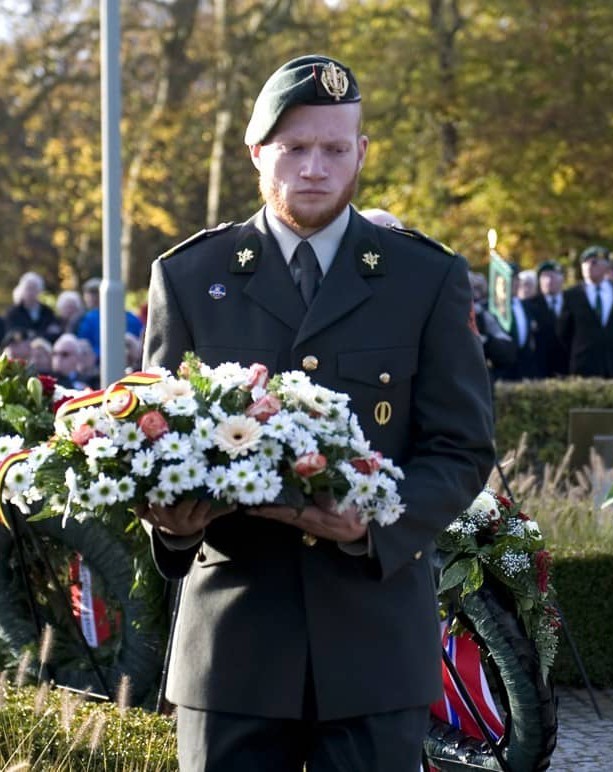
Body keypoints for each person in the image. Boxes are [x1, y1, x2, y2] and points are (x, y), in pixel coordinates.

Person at [140, 54, 495, 772]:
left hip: (373, 646)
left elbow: (460, 446)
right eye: (294, 148)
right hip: (233, 647)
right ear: (255, 154)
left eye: (335, 148)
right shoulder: (190, 276)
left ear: (361, 151)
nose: (314, 167)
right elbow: (155, 438)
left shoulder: (424, 277)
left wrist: (376, 522)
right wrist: (169, 526)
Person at [557, 245, 613, 378]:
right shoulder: (572, 295)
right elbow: (563, 333)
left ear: (606, 266)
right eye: (585, 262)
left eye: (594, 262)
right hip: (583, 366)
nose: (589, 266)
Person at [526, 259, 567, 377]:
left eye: (553, 276)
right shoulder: (530, 305)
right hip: (541, 368)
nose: (549, 281)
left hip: (568, 367)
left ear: (562, 278)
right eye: (544, 276)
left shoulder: (573, 302)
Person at [5, 271, 61, 342]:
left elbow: (55, 333)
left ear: (40, 290)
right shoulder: (13, 313)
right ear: (22, 290)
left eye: (34, 288)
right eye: (28, 288)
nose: (31, 292)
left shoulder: (48, 312)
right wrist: (42, 334)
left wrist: (29, 334)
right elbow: (12, 334)